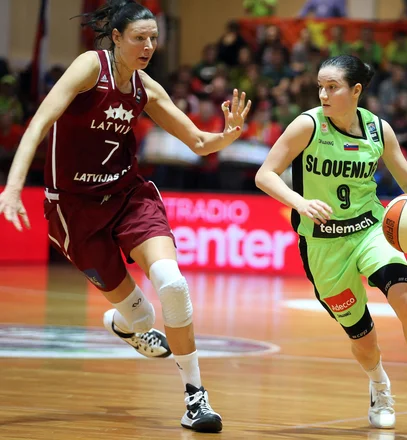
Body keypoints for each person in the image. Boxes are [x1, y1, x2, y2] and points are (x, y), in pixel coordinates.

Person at [0, 0, 251, 433]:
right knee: (142, 320)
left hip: (128, 197)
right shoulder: (87, 69)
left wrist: (226, 135)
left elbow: (197, 142)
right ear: (116, 38)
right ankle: (126, 325)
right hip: (74, 210)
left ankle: (196, 399)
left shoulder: (145, 89)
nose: (149, 45)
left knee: (172, 283)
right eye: (140, 37)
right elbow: (40, 121)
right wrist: (16, 187)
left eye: (154, 38)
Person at [255, 55, 407, 429]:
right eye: (320, 87)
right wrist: (300, 202)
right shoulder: (307, 125)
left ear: (356, 90)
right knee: (364, 337)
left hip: (370, 228)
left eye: (333, 87)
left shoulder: (378, 130)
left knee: (406, 299)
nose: (323, 94)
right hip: (323, 244)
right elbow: (265, 174)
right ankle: (379, 386)